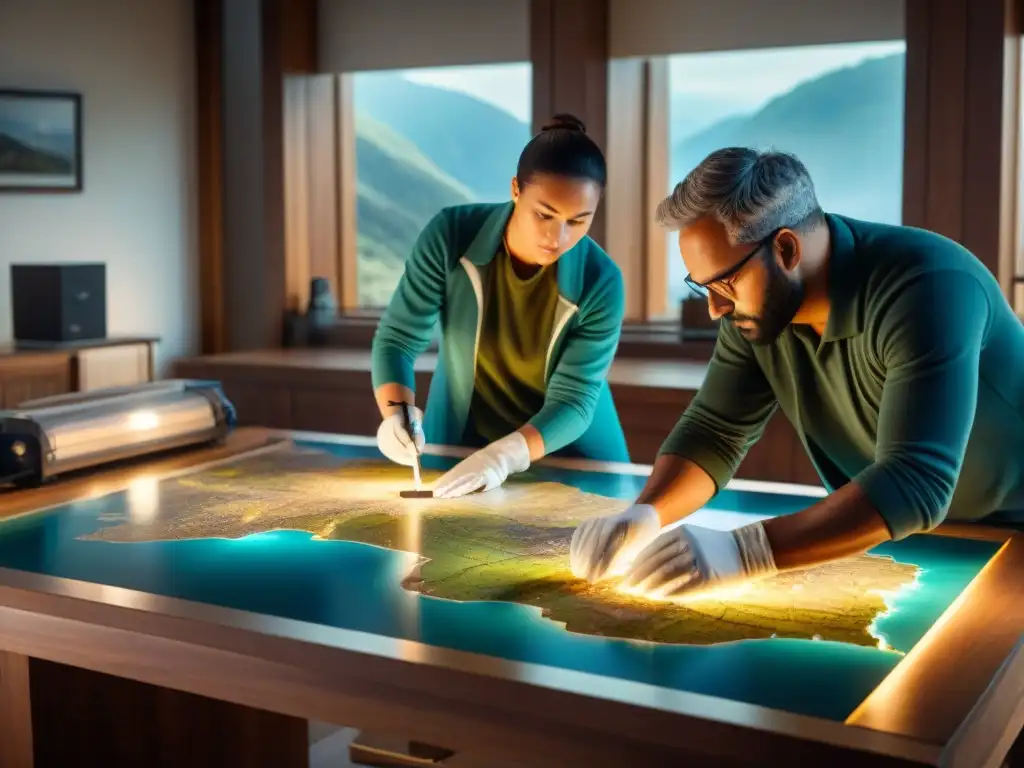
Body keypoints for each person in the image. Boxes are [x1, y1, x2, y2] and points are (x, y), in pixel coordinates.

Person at [569, 146, 1024, 599]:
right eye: (701, 286)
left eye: (724, 283)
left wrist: (746, 553)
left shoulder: (929, 286)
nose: (714, 309)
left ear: (786, 247)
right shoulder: (756, 312)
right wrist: (647, 513)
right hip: (912, 536)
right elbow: (715, 430)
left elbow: (915, 481)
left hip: (1010, 535)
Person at [372, 113, 629, 499]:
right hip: (460, 449)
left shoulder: (601, 281)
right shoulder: (450, 236)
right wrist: (396, 415)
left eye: (578, 221)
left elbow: (575, 401)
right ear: (515, 189)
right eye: (544, 214)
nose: (557, 237)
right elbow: (398, 339)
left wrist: (504, 456)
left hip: (571, 463)